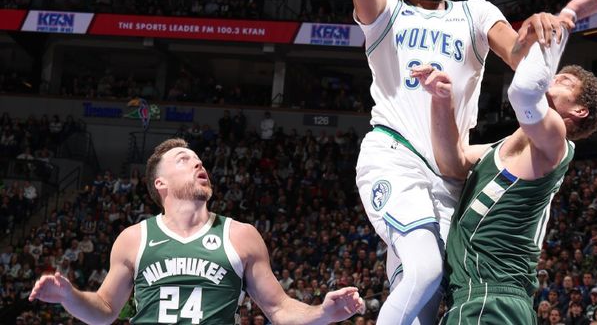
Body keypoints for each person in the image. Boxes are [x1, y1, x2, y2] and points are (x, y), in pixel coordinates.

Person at [324, 0, 597, 325]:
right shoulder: (387, 14)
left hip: (451, 172)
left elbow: (519, 54)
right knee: (423, 272)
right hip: (395, 153)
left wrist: (545, 27)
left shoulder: (476, 13)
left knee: (428, 296)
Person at [412, 5, 597, 324]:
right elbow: (452, 162)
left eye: (564, 81)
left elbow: (524, 93)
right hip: (483, 300)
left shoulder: (556, 141)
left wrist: (554, 34)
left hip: (490, 299)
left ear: (579, 112)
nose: (552, 78)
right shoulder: (502, 149)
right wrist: (441, 100)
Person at [28, 138, 364, 324]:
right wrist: (69, 297)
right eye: (184, 160)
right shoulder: (134, 238)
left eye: (199, 160)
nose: (198, 163)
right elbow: (104, 309)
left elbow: (279, 309)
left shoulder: (240, 235)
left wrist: (323, 312)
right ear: (160, 183)